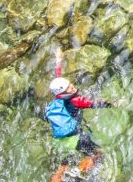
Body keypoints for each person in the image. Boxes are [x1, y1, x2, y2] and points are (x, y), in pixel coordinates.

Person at [46, 49, 111, 180]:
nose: (73, 88)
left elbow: (58, 78)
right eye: (69, 88)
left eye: (70, 85)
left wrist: (59, 60)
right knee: (97, 154)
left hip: (59, 139)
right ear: (63, 93)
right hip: (75, 137)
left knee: (62, 166)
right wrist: (114, 103)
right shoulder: (76, 100)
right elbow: (95, 104)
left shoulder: (58, 98)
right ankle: (79, 171)